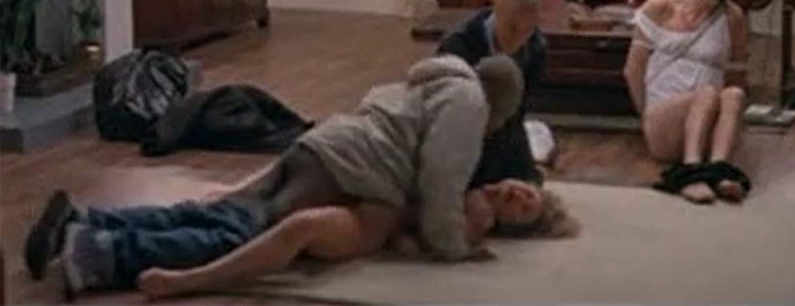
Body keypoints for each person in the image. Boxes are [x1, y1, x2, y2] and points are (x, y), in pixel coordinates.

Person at [24, 54, 525, 297]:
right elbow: (441, 177)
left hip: (323, 142)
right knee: (243, 232)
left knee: (229, 209)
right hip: (351, 168)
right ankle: (99, 253)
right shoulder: (470, 106)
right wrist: (454, 247)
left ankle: (92, 218)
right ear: (499, 109)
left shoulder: (433, 82)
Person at [135, 178, 580, 300]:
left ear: (510, 225)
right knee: (246, 206)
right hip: (361, 186)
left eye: (525, 209)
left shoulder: (477, 216)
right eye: (527, 191)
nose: (520, 197)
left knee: (301, 226)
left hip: (371, 220)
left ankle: (194, 279)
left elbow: (418, 241)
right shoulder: (470, 162)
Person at [623, 0, 750, 205]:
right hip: (664, 115)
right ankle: (690, 175)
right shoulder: (661, 6)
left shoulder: (732, 16)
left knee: (734, 95)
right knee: (706, 93)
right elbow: (632, 69)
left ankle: (719, 171)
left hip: (708, 112)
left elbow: (738, 72)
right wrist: (644, 113)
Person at [438, 0, 547, 187]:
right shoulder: (457, 47)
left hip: (505, 130)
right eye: (512, 28)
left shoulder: (535, 49)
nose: (518, 39)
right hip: (459, 133)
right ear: (497, 11)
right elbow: (446, 120)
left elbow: (516, 115)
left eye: (528, 31)